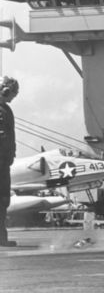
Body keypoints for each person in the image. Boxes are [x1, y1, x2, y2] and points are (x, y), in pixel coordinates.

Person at [0, 76, 18, 247]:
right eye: (12, 93)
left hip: (4, 164)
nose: (13, 97)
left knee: (3, 199)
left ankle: (1, 238)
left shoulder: (6, 109)